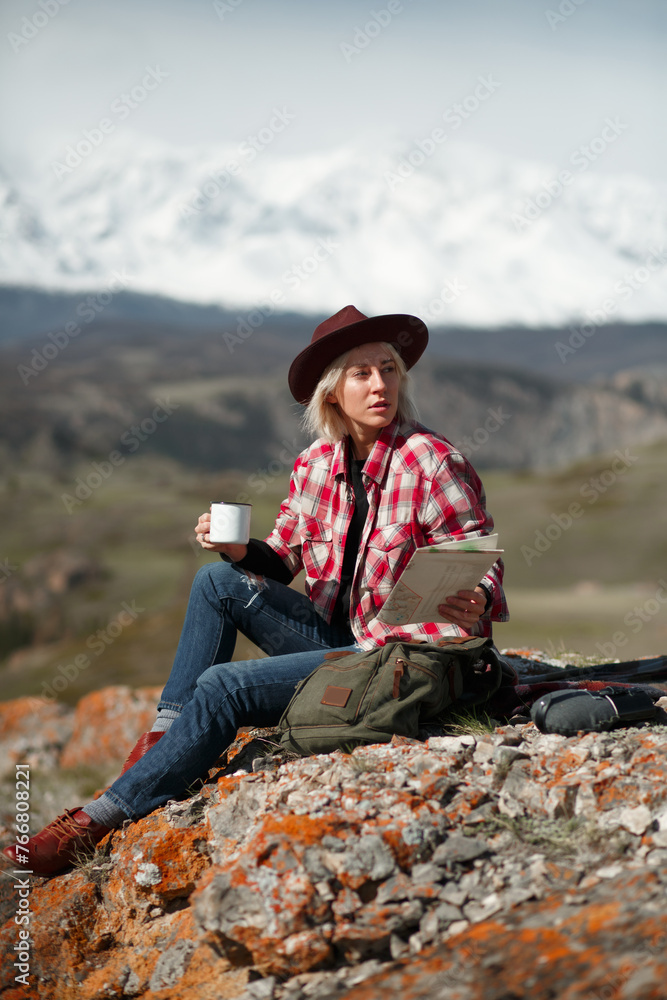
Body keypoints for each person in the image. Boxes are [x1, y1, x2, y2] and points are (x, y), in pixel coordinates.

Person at [2, 305, 508, 876]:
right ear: (332, 392)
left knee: (222, 687)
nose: (379, 385)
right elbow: (282, 556)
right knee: (216, 580)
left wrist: (480, 596)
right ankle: (164, 741)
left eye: (388, 369)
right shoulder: (316, 463)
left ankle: (95, 821)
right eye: (361, 373)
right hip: (333, 642)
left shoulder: (434, 462)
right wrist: (239, 552)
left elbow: (476, 553)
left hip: (390, 653)